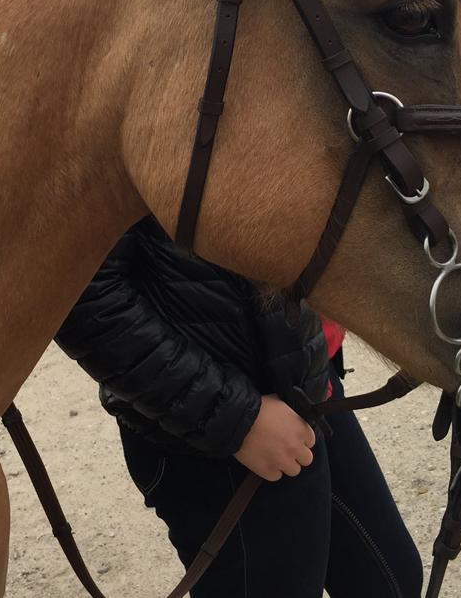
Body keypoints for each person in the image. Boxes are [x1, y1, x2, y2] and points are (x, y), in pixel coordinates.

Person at [56, 216, 423, 598]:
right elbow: (79, 296)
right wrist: (238, 419)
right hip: (208, 436)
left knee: (393, 582)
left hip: (304, 381)